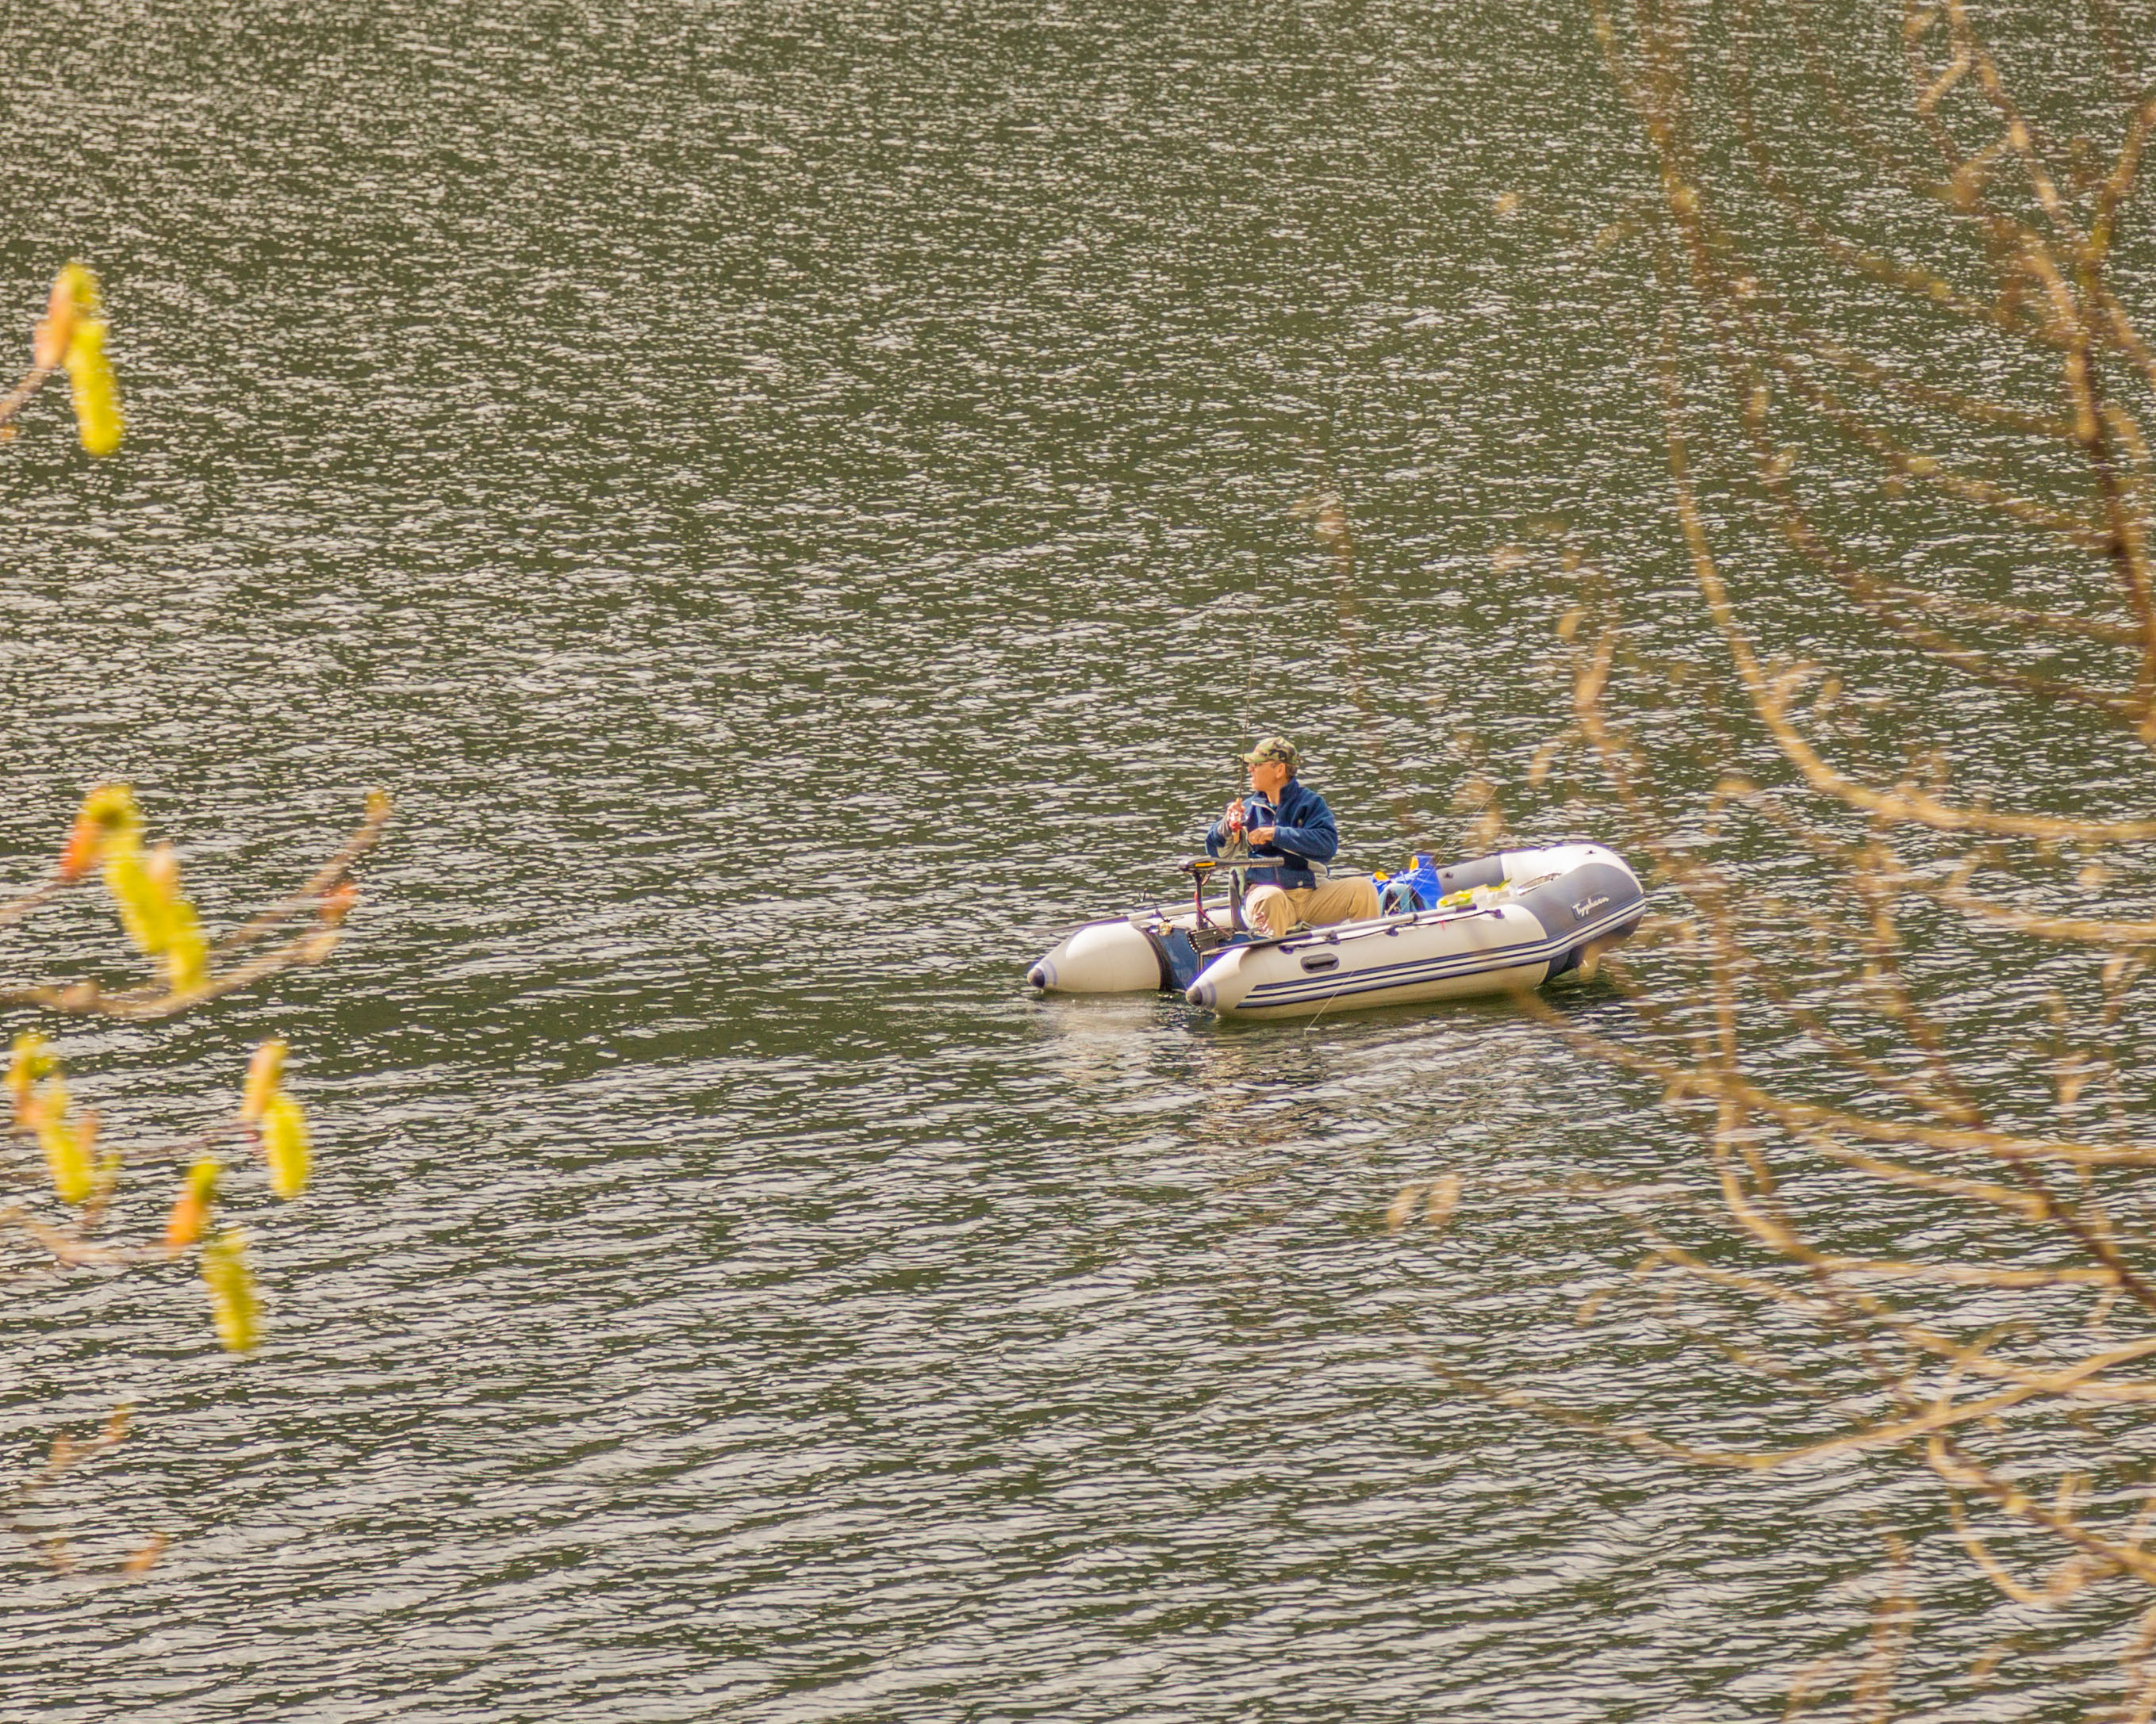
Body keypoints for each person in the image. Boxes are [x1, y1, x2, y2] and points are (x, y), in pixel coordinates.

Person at [1204, 736, 1380, 938]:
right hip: (1266, 896)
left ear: (1279, 770)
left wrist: (1276, 835)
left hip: (1311, 894)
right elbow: (1216, 853)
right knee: (1272, 897)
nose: (1250, 769)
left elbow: (1326, 845)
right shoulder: (1248, 810)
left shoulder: (1311, 803)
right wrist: (1226, 826)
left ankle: (1367, 950)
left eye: (1256, 764)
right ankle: (1274, 959)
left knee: (1363, 889)